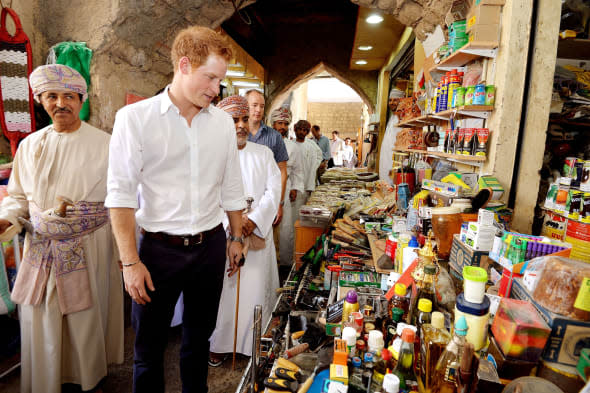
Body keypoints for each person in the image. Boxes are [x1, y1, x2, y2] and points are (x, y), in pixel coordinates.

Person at [105, 26, 246, 393]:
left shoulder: (222, 126)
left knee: (198, 343)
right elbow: (119, 195)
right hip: (157, 251)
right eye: (210, 77)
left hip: (210, 246)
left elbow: (232, 186)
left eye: (220, 79)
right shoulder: (134, 119)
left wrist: (236, 237)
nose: (217, 89)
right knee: (148, 350)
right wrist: (130, 263)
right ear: (184, 65)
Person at [0, 64, 124, 393]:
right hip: (41, 245)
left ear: (81, 99)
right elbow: (17, 197)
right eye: (51, 96)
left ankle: (88, 380)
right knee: (42, 315)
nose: (61, 103)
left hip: (90, 243)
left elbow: (122, 200)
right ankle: (47, 379)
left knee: (85, 315)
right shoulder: (29, 145)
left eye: (69, 96)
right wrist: (6, 218)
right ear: (40, 100)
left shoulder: (107, 144)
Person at [209, 95, 281, 361]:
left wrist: (254, 220)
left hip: (257, 235)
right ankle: (219, 344)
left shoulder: (264, 154)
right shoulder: (212, 156)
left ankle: (253, 345)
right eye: (233, 120)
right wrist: (234, 225)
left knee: (255, 291)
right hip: (225, 235)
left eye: (242, 119)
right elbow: (208, 196)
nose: (240, 125)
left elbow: (273, 193)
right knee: (224, 294)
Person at [245, 89, 288, 226]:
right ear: (245, 105)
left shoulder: (274, 137)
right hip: (239, 201)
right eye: (254, 105)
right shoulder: (236, 135)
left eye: (262, 106)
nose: (258, 110)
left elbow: (282, 171)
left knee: (263, 242)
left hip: (266, 201)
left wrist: (279, 203)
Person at [270, 107, 304, 267]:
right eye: (279, 123)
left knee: (285, 230)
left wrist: (294, 188)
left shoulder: (293, 147)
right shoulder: (265, 142)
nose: (282, 127)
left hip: (286, 188)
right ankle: (268, 263)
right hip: (266, 189)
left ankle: (284, 264)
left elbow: (297, 170)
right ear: (273, 123)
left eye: (285, 123)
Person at [294, 120, 323, 210]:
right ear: (295, 130)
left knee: (303, 208)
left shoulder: (310, 146)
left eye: (304, 130)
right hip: (292, 185)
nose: (302, 132)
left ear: (307, 132)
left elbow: (318, 158)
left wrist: (310, 185)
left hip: (306, 184)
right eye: (300, 129)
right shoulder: (290, 144)